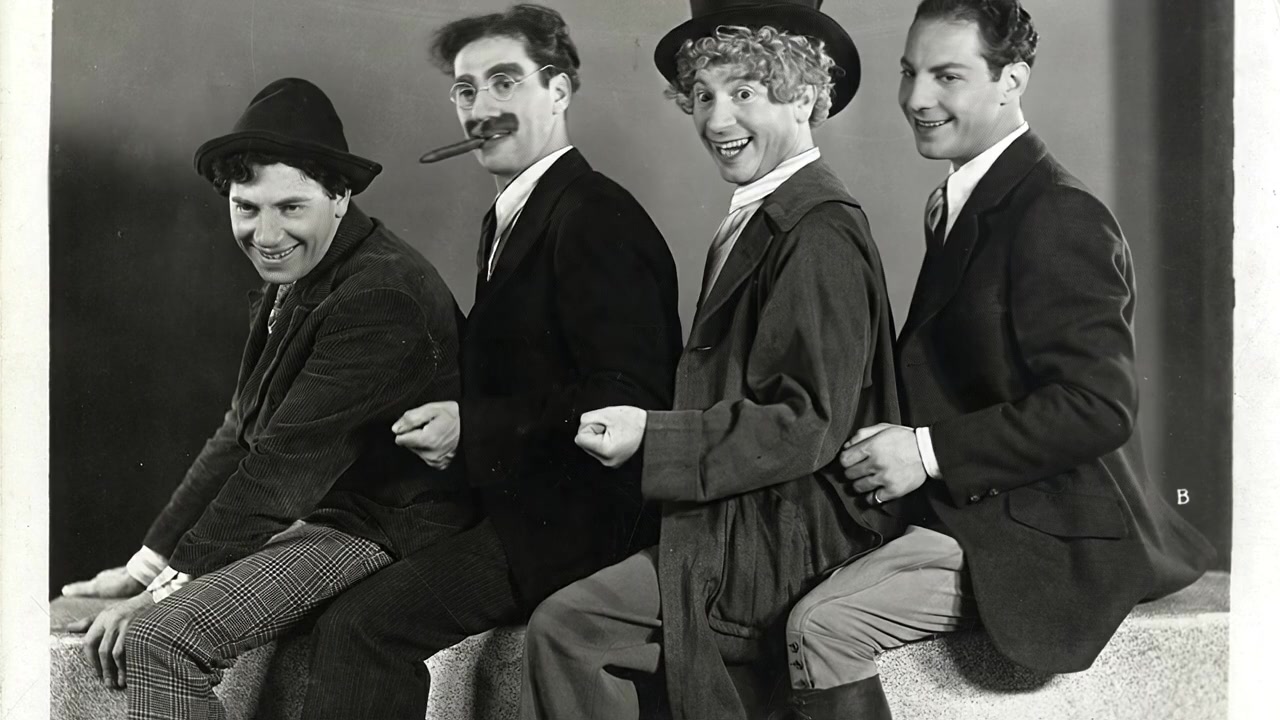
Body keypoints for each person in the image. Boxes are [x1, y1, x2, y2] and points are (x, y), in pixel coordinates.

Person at [783, 1, 1218, 716]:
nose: (917, 99)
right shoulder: (965, 196)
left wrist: (925, 452)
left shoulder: (1057, 211)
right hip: (977, 501)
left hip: (1049, 527)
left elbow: (1097, 407)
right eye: (910, 73)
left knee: (821, 623)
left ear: (1011, 79)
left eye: (947, 76)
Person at [519, 2, 905, 718]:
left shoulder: (816, 229)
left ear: (804, 96)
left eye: (744, 92)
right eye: (702, 95)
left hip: (783, 531)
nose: (716, 119)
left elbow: (806, 422)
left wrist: (652, 436)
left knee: (569, 630)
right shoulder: (763, 213)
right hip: (743, 512)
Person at [295, 5, 683, 718]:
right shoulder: (516, 212)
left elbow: (628, 398)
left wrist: (472, 426)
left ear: (558, 91)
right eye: (466, 90)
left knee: (361, 631)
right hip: (514, 503)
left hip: (576, 526)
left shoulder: (596, 215)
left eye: (505, 82)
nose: (480, 109)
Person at [57, 77, 475, 719]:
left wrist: (162, 596)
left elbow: (283, 464)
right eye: (246, 207)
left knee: (158, 639)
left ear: (340, 196)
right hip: (324, 508)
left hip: (390, 524)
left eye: (290, 207)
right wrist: (145, 567)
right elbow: (241, 431)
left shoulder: (381, 293)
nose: (267, 234)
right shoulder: (306, 268)